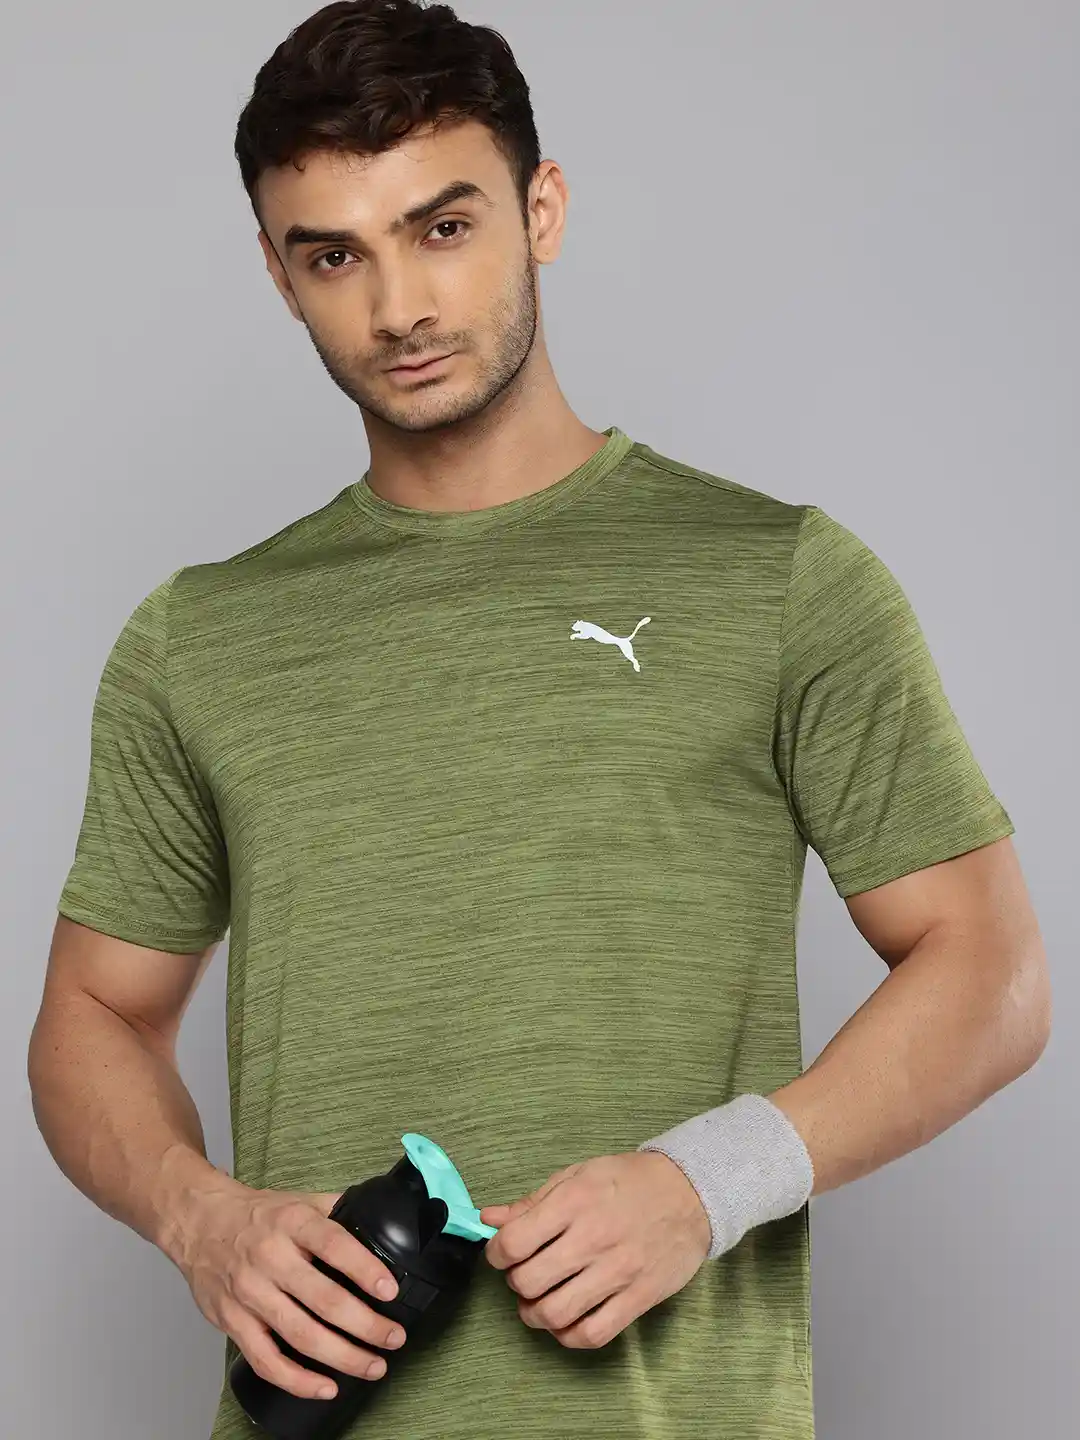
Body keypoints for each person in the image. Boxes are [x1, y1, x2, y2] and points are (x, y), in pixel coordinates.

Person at [27, 2, 1051, 1438]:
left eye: (443, 228)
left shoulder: (777, 579)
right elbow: (94, 1015)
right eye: (335, 255)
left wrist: (709, 1183)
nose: (399, 308)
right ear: (278, 272)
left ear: (542, 209)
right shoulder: (199, 638)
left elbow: (992, 970)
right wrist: (199, 1218)